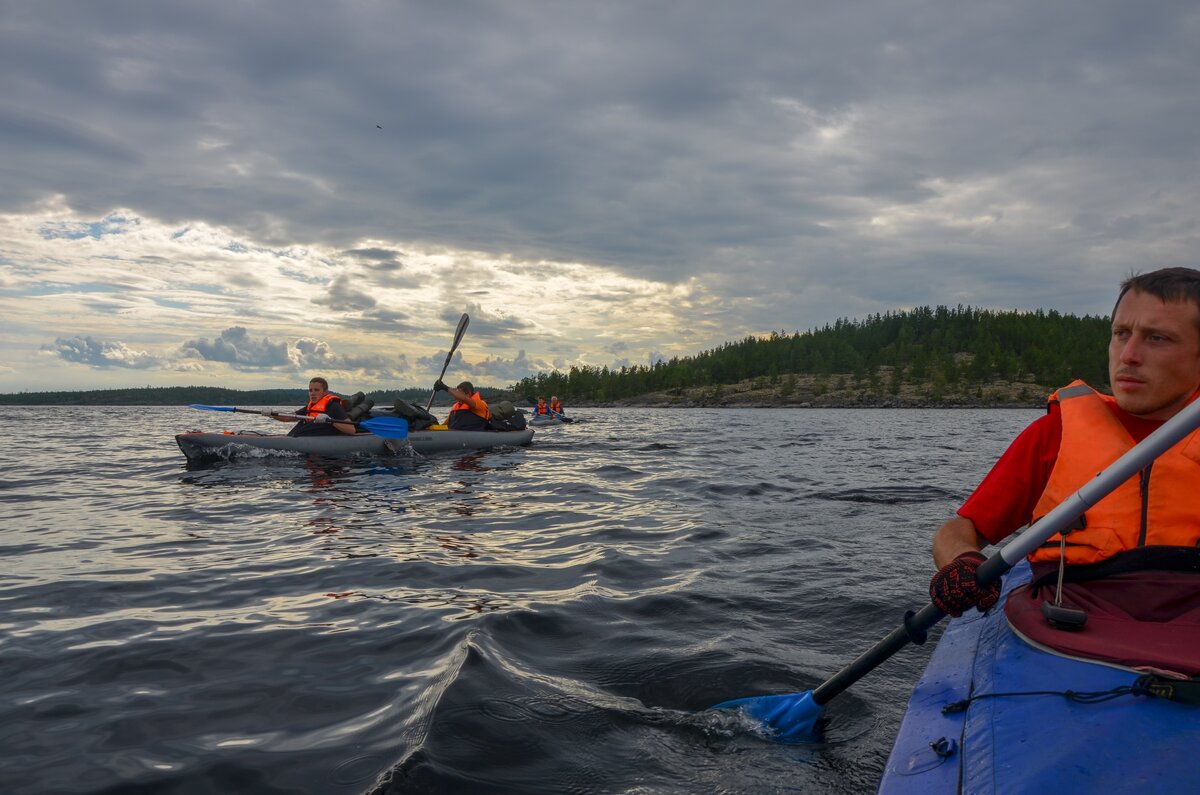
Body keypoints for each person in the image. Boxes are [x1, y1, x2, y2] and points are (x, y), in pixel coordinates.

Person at [928, 267, 1200, 672]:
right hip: (1070, 625)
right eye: (1121, 333)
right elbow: (958, 531)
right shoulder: (1054, 435)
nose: (1128, 356)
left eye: (1157, 338)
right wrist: (961, 562)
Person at [267, 377, 357, 437]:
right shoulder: (310, 407)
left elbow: (351, 430)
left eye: (316, 390)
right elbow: (287, 418)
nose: (312, 393)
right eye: (310, 390)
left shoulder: (334, 406)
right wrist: (271, 414)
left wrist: (330, 421)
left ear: (325, 392)